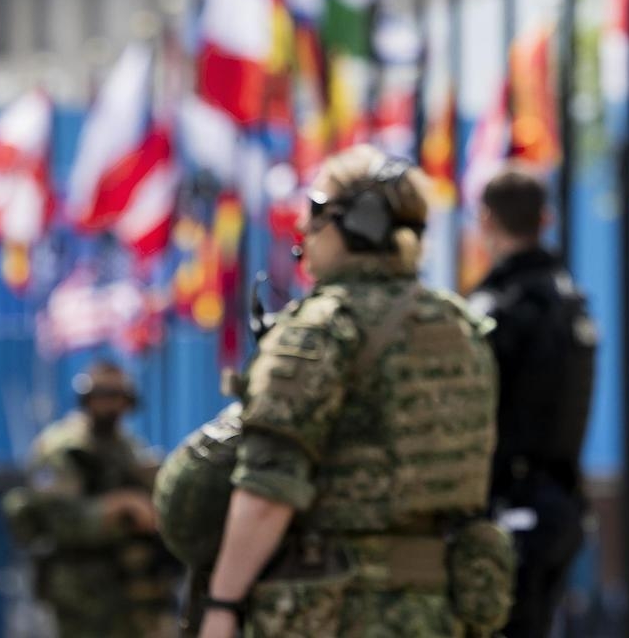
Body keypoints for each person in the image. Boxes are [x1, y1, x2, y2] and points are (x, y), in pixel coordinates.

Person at [194, 145, 513, 638]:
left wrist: (222, 603)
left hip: (336, 611)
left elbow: (268, 490)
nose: (304, 229)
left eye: (316, 212)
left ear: (359, 223)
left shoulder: (321, 330)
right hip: (439, 613)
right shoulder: (461, 327)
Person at [468, 165, 596, 638]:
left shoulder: (495, 309)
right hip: (562, 505)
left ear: (486, 220)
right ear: (545, 219)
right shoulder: (571, 299)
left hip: (507, 508)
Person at [2, 360, 180, 637]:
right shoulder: (62, 447)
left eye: (120, 397)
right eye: (104, 396)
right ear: (87, 399)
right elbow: (58, 519)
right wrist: (120, 507)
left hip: (130, 591)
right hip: (82, 594)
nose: (113, 405)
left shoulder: (126, 446)